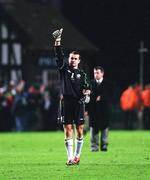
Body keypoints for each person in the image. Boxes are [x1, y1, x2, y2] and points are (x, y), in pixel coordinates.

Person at [52, 28, 91, 165]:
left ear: (79, 61)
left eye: (75, 58)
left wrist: (87, 94)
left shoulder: (83, 74)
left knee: (80, 130)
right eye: (71, 58)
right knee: (68, 129)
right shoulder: (64, 70)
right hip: (66, 103)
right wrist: (57, 41)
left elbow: (87, 87)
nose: (73, 60)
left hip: (79, 104)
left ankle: (77, 156)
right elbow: (58, 55)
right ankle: (69, 158)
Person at [88, 66, 113, 152]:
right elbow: (87, 98)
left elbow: (111, 96)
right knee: (93, 128)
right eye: (95, 73)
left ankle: (104, 146)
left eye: (98, 72)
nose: (96, 74)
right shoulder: (90, 83)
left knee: (104, 128)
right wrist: (86, 110)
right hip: (93, 110)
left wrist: (102, 97)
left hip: (104, 110)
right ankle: (94, 146)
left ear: (102, 73)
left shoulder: (108, 84)